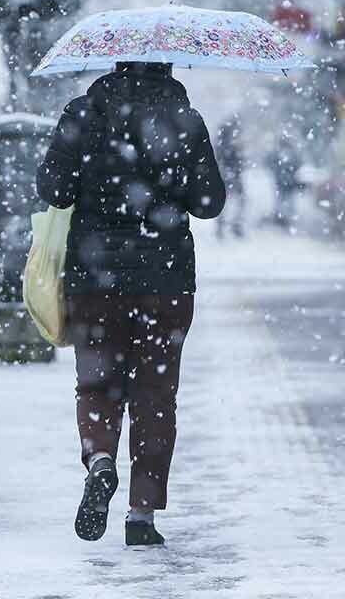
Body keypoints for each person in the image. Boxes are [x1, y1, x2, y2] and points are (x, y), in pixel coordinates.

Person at [36, 61, 226, 547]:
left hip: (93, 276)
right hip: (165, 280)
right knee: (155, 396)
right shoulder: (185, 120)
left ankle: (100, 459)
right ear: (168, 66)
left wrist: (91, 173)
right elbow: (210, 202)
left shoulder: (82, 113)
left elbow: (53, 190)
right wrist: (171, 184)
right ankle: (141, 514)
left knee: (97, 382)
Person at [215, 114, 247, 239]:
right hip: (229, 173)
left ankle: (228, 226)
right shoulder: (228, 140)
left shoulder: (224, 139)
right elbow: (229, 156)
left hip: (228, 173)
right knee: (237, 200)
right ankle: (231, 226)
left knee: (235, 200)